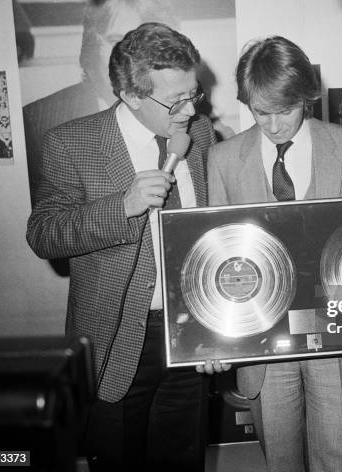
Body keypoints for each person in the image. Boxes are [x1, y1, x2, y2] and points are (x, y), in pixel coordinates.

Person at [27, 22, 220, 471]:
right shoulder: (71, 142)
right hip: (115, 337)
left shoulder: (204, 135)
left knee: (182, 459)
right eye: (176, 101)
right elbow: (43, 234)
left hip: (190, 327)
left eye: (195, 94)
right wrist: (123, 206)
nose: (190, 111)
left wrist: (219, 330)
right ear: (131, 95)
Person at [208, 36, 342, 472]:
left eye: (285, 109)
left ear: (306, 95)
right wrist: (213, 336)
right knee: (280, 461)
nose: (275, 125)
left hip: (338, 338)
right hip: (264, 344)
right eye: (261, 112)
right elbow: (217, 262)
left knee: (340, 460)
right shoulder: (223, 160)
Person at [23, 0, 178, 204]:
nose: (127, 61)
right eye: (116, 41)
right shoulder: (40, 121)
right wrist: (122, 207)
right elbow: (46, 228)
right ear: (91, 47)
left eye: (142, 48)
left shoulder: (187, 118)